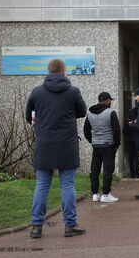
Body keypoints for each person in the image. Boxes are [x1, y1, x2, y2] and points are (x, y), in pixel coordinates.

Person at [25, 59, 87, 238]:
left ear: (48, 72)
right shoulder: (73, 92)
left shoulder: (37, 92)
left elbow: (28, 116)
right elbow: (82, 112)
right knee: (67, 185)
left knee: (42, 185)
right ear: (64, 72)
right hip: (67, 145)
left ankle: (36, 226)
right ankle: (70, 225)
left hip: (44, 144)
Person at [83, 92, 121, 203]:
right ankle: (105, 194)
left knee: (94, 169)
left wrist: (92, 140)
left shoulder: (90, 114)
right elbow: (116, 131)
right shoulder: (111, 113)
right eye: (110, 101)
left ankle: (95, 193)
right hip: (108, 145)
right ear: (108, 101)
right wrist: (116, 144)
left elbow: (86, 131)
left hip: (96, 146)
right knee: (108, 169)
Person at [125, 107, 139, 178]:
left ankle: (132, 173)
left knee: (131, 158)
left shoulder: (128, 121)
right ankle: (137, 172)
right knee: (138, 157)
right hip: (138, 140)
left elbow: (124, 131)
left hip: (130, 140)